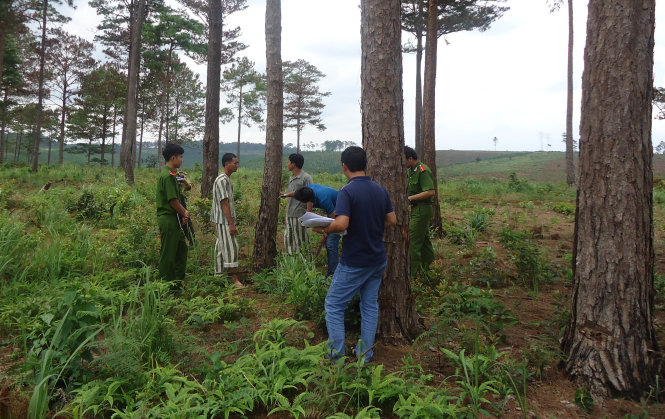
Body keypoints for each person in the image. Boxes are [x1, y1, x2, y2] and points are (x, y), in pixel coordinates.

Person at [316, 146, 396, 363]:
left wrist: (325, 227)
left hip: (355, 260)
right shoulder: (380, 190)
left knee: (333, 305)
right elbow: (392, 220)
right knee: (369, 306)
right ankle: (365, 354)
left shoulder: (347, 191)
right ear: (365, 164)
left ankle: (336, 356)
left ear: (344, 166)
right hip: (377, 259)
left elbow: (342, 223)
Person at [156, 143, 190, 289]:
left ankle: (178, 280)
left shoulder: (173, 175)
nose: (182, 160)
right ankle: (167, 285)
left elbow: (185, 188)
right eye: (180, 157)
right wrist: (184, 212)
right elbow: (172, 200)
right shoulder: (168, 176)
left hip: (174, 219)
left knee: (182, 248)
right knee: (168, 253)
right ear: (173, 157)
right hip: (168, 218)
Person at [210, 153, 245, 288]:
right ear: (227, 164)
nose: (237, 165)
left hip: (223, 220)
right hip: (224, 221)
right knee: (231, 247)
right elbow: (224, 203)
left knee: (220, 247)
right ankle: (234, 279)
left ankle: (218, 276)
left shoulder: (226, 179)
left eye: (237, 163)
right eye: (235, 163)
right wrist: (231, 223)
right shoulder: (222, 180)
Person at [294, 184, 340, 277]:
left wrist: (324, 234)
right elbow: (296, 194)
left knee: (330, 242)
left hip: (341, 213)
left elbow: (335, 221)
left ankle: (332, 274)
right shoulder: (308, 189)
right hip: (333, 212)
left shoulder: (324, 200)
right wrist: (285, 195)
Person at [404, 146, 436, 276]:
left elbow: (430, 192)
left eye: (404, 160)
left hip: (423, 209)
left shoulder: (423, 170)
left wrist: (409, 199)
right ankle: (429, 268)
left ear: (410, 159)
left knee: (412, 241)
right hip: (417, 209)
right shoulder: (411, 170)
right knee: (424, 240)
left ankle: (413, 275)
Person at [280, 153, 313, 254]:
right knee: (289, 240)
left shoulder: (306, 178)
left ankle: (306, 265)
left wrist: (308, 214)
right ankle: (292, 264)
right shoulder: (291, 178)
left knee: (301, 241)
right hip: (290, 214)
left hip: (300, 215)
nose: (287, 164)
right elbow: (290, 197)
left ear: (293, 164)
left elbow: (310, 196)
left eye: (288, 162)